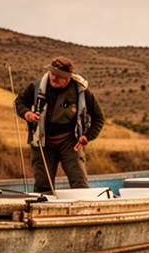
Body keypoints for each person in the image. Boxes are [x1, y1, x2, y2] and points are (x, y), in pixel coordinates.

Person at [14, 56, 105, 192]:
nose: (53, 78)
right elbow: (19, 102)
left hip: (70, 141)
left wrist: (87, 136)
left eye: (58, 76)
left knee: (79, 182)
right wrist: (27, 114)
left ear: (68, 78)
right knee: (43, 186)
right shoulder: (36, 86)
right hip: (42, 141)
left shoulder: (81, 91)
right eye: (52, 73)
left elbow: (99, 117)